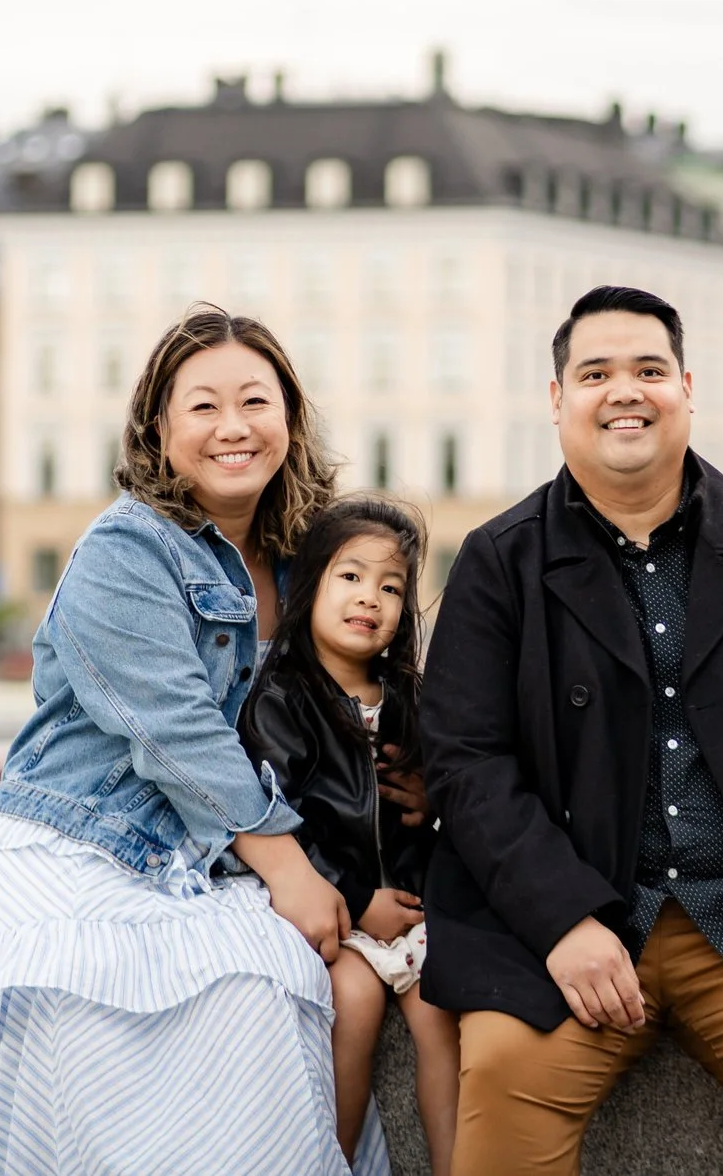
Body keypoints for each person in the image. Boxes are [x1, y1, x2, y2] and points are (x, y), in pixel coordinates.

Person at [0, 305, 392, 1176]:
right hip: (76, 840)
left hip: (211, 857)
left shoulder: (305, 558)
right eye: (202, 406)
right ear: (158, 430)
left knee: (266, 995)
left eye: (256, 400)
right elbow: (176, 732)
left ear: (290, 415)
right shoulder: (125, 548)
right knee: (70, 1020)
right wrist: (290, 868)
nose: (233, 427)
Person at [420, 285, 723, 1176]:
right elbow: (466, 762)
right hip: (566, 917)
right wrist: (562, 919)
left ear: (686, 386)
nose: (624, 391)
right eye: (595, 373)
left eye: (648, 370)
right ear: (558, 398)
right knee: (507, 1079)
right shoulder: (498, 560)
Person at [241, 494, 461, 1174]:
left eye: (390, 587)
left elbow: (461, 795)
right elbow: (279, 822)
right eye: (351, 576)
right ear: (309, 583)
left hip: (416, 907)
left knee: (443, 1012)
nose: (370, 597)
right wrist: (358, 898)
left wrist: (436, 796)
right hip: (339, 910)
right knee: (356, 1001)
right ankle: (332, 1158)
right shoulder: (281, 699)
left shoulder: (410, 699)